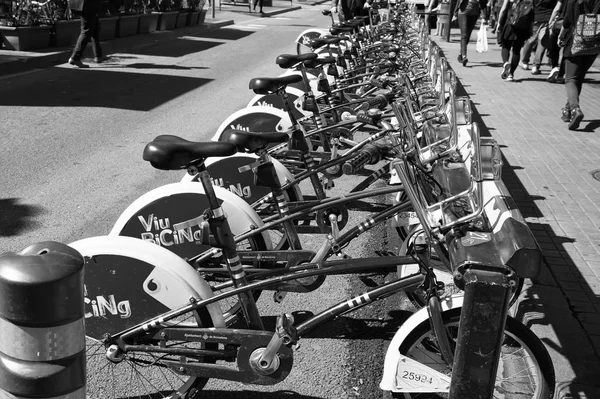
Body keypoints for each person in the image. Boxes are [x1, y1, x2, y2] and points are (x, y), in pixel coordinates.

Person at [558, 0, 600, 130]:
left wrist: (560, 36)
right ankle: (568, 110)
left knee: (570, 79)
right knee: (579, 77)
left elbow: (567, 21)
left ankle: (575, 109)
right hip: (594, 45)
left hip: (575, 43)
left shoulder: (573, 1)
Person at [497, 0, 535, 80]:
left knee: (505, 47)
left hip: (510, 25)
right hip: (522, 28)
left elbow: (503, 10)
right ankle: (511, 74)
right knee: (516, 51)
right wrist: (530, 29)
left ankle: (506, 63)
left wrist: (499, 24)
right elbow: (531, 14)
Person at [519, 0, 558, 74]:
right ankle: (536, 66)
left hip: (536, 18)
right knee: (542, 42)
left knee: (530, 39)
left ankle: (524, 62)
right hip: (548, 18)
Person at [68, 0, 105, 68]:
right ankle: (75, 57)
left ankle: (98, 55)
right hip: (87, 4)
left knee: (95, 27)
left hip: (86, 4)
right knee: (87, 30)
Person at [453, 0, 488, 66]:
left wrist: (483, 17)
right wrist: (455, 13)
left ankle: (461, 53)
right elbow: (459, 1)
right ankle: (464, 56)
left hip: (474, 14)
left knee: (468, 35)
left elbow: (483, 3)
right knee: (464, 35)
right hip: (463, 12)